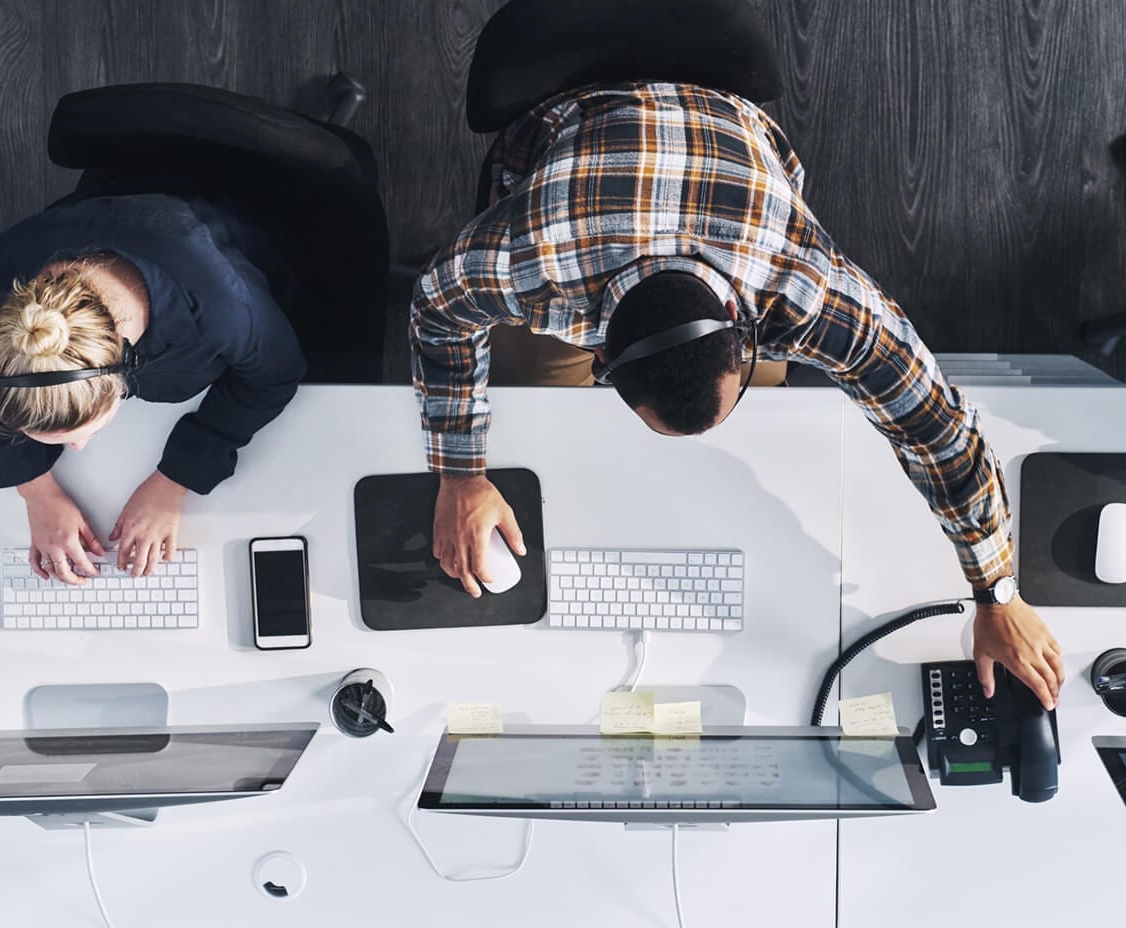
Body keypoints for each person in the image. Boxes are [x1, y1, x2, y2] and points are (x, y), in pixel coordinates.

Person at [409, 82, 1064, 706]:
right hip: (573, 132)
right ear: (599, 355)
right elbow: (437, 306)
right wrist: (461, 475)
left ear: (745, 333)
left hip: (729, 167)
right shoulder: (532, 260)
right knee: (533, 410)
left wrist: (997, 593)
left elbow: (939, 428)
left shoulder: (803, 287)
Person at [0, 192, 306, 586]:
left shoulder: (223, 310)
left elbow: (274, 374)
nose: (77, 449)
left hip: (250, 220)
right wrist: (35, 489)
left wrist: (175, 479)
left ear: (123, 374)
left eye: (85, 433)